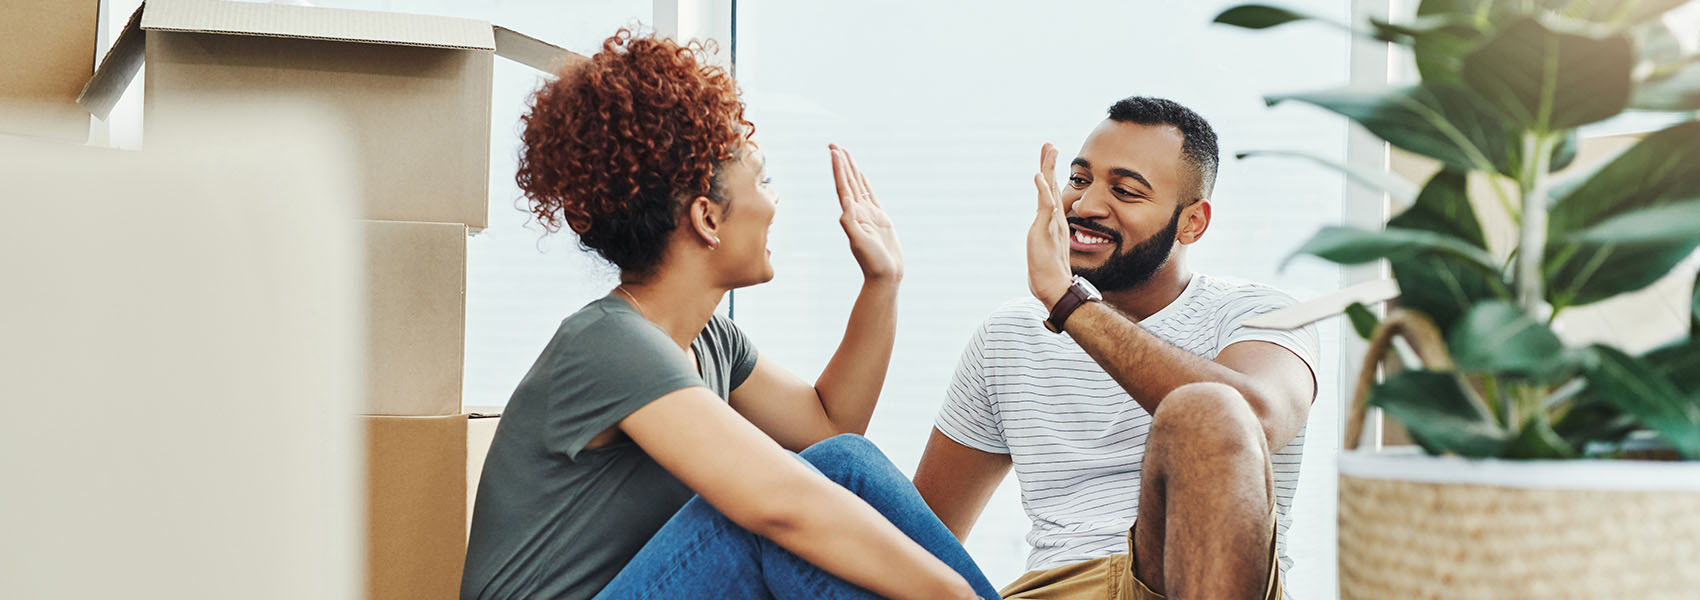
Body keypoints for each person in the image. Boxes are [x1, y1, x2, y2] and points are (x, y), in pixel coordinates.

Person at [461, 29, 1000, 600]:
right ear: (707, 218)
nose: (773, 200)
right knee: (799, 498)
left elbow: (829, 424)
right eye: (761, 179)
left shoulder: (710, 341)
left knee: (846, 463)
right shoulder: (607, 345)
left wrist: (882, 282)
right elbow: (784, 505)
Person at [913, 97, 1320, 600]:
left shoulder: (1260, 315)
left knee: (1207, 410)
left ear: (1192, 223)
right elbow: (920, 544)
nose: (1084, 206)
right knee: (848, 464)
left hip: (1195, 580)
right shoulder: (1008, 335)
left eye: (1125, 191)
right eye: (1079, 180)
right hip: (1054, 589)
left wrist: (1070, 304)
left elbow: (1254, 416)